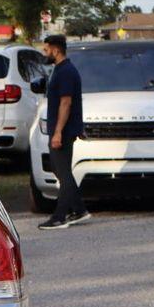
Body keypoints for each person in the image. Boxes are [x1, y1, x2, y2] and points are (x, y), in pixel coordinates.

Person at [37, 34, 90, 230]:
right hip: (63, 129)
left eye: (46, 49)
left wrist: (58, 132)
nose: (45, 52)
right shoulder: (61, 70)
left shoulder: (65, 72)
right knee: (61, 171)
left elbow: (66, 102)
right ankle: (79, 209)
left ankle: (60, 216)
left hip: (63, 130)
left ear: (56, 49)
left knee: (63, 173)